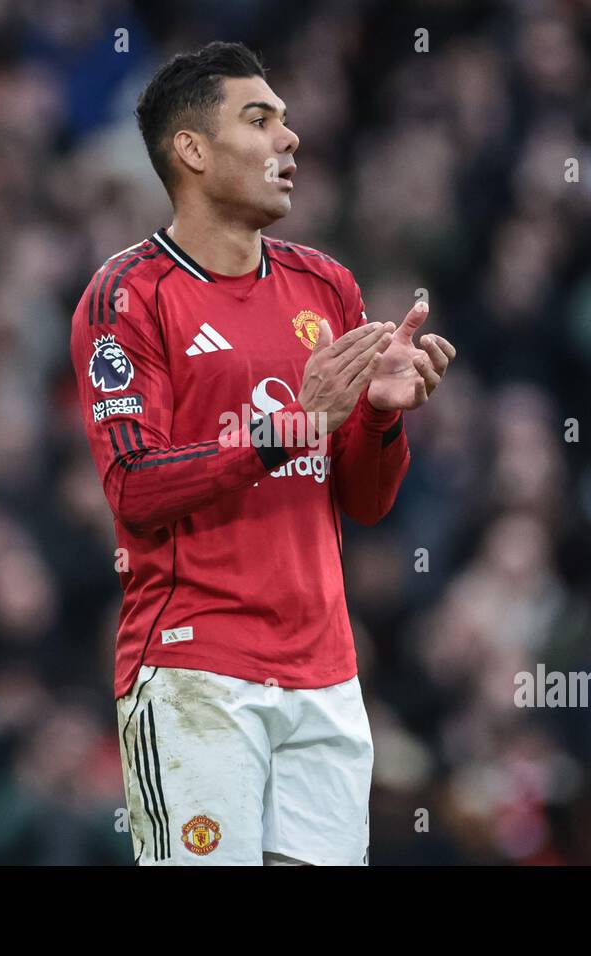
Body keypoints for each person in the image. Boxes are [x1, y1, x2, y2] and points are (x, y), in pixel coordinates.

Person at [69, 41, 455, 865]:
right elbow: (134, 484)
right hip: (196, 667)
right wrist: (291, 426)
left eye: (285, 120)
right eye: (261, 119)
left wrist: (381, 421)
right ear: (193, 150)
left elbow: (364, 500)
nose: (292, 139)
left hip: (324, 672)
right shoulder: (128, 296)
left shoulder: (328, 287)